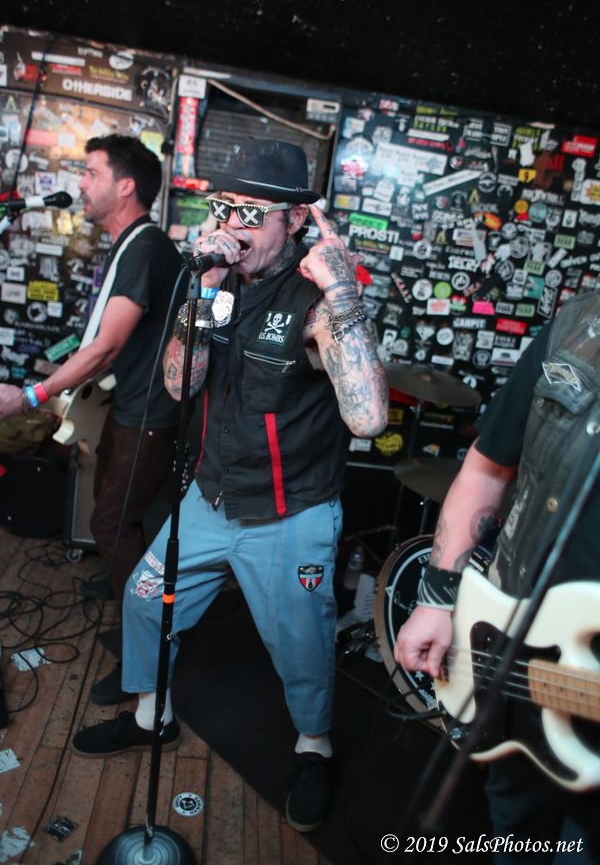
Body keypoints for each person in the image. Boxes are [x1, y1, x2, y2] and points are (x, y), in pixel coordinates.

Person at [71, 137, 389, 833]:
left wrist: (341, 290)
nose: (232, 226)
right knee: (145, 600)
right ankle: (152, 717)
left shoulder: (314, 296)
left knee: (300, 645)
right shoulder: (217, 286)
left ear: (295, 220)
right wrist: (204, 292)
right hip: (211, 496)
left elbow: (368, 416)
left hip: (289, 510)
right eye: (224, 208)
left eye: (252, 213)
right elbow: (179, 384)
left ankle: (313, 746)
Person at [394, 291, 600, 863]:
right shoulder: (579, 323)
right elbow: (488, 469)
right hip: (516, 666)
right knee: (514, 835)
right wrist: (437, 599)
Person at [0, 134, 184, 706]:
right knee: (112, 514)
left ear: (125, 186)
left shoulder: (145, 247)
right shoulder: (132, 243)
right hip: (130, 406)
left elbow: (106, 347)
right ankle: (127, 594)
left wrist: (30, 397)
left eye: (91, 172)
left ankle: (143, 658)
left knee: (111, 523)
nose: (80, 183)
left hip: (151, 413)